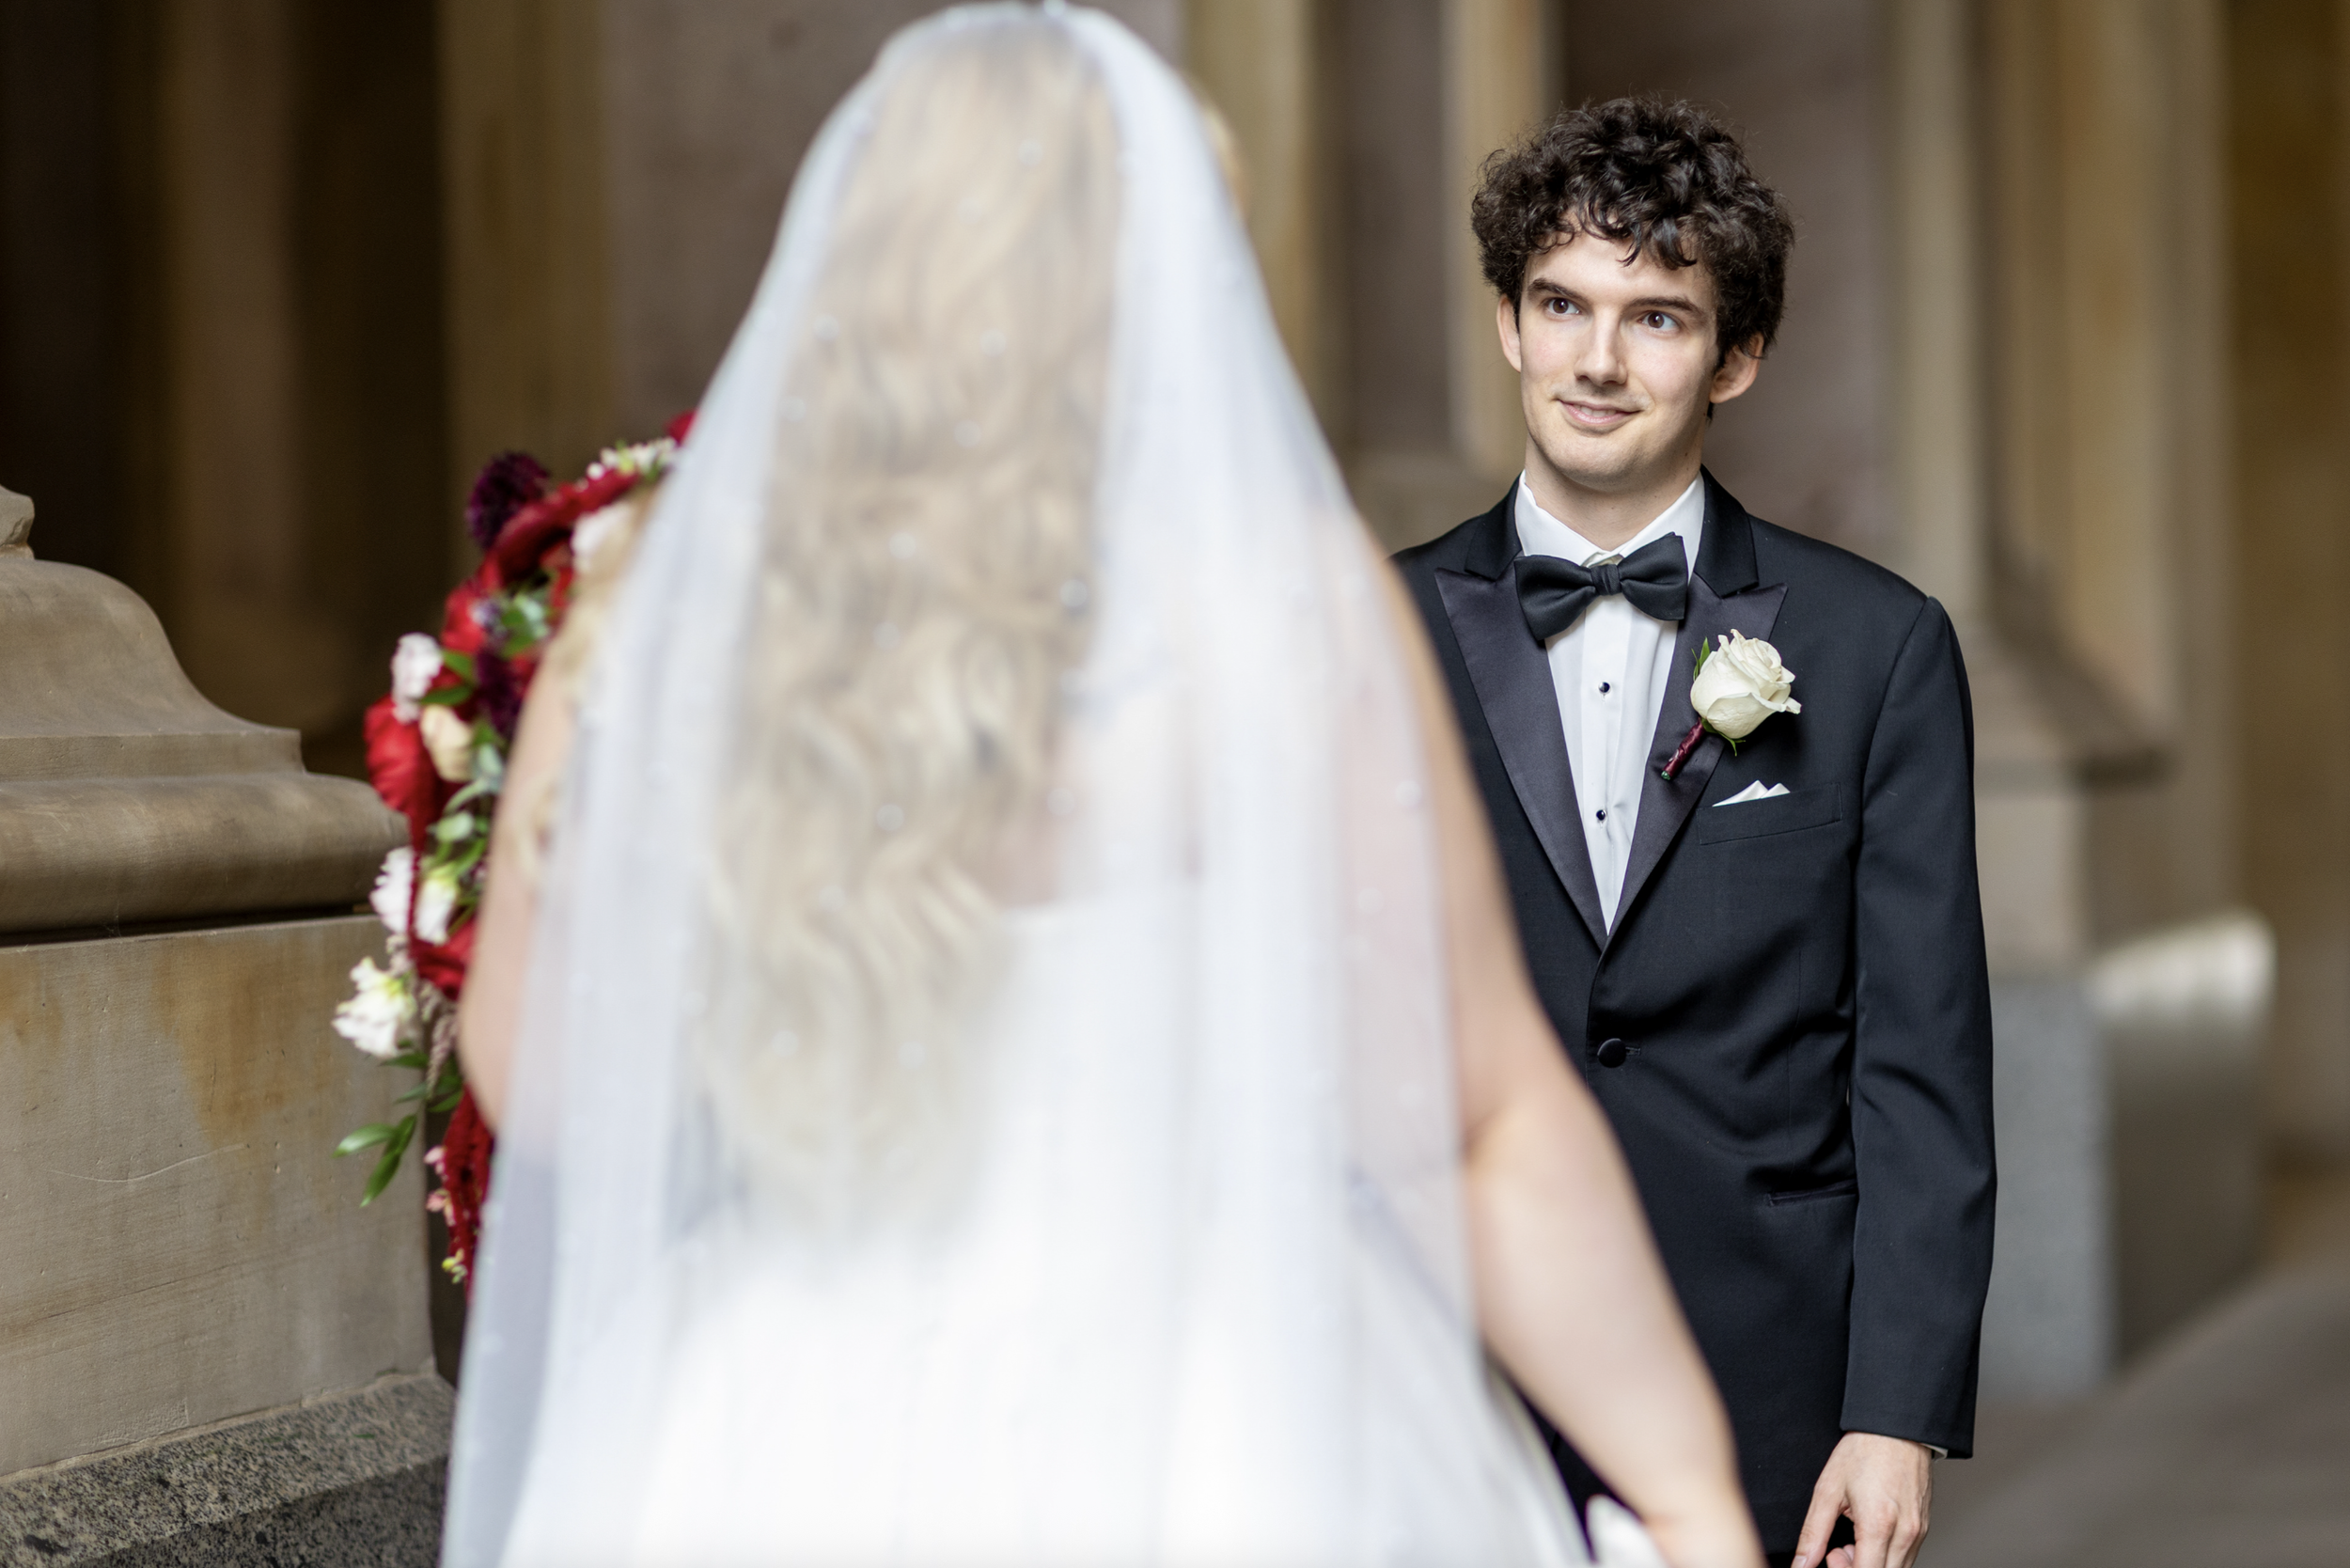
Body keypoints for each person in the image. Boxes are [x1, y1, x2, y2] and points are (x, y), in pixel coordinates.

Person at [441, 9, 1763, 1566]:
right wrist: (1683, 1490)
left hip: (779, 1411)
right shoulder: (1269, 611)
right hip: (1218, 1407)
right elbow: (1477, 1118)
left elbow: (544, 1075)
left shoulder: (671, 597)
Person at [1390, 100, 1996, 1568]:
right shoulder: (1366, 632)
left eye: (1656, 319)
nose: (1598, 362)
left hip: (1768, 1386)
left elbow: (1920, 1063)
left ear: (1738, 358)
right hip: (1439, 1371)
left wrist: (1895, 1411)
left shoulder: (1877, 648)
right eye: (1563, 306)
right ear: (1508, 325)